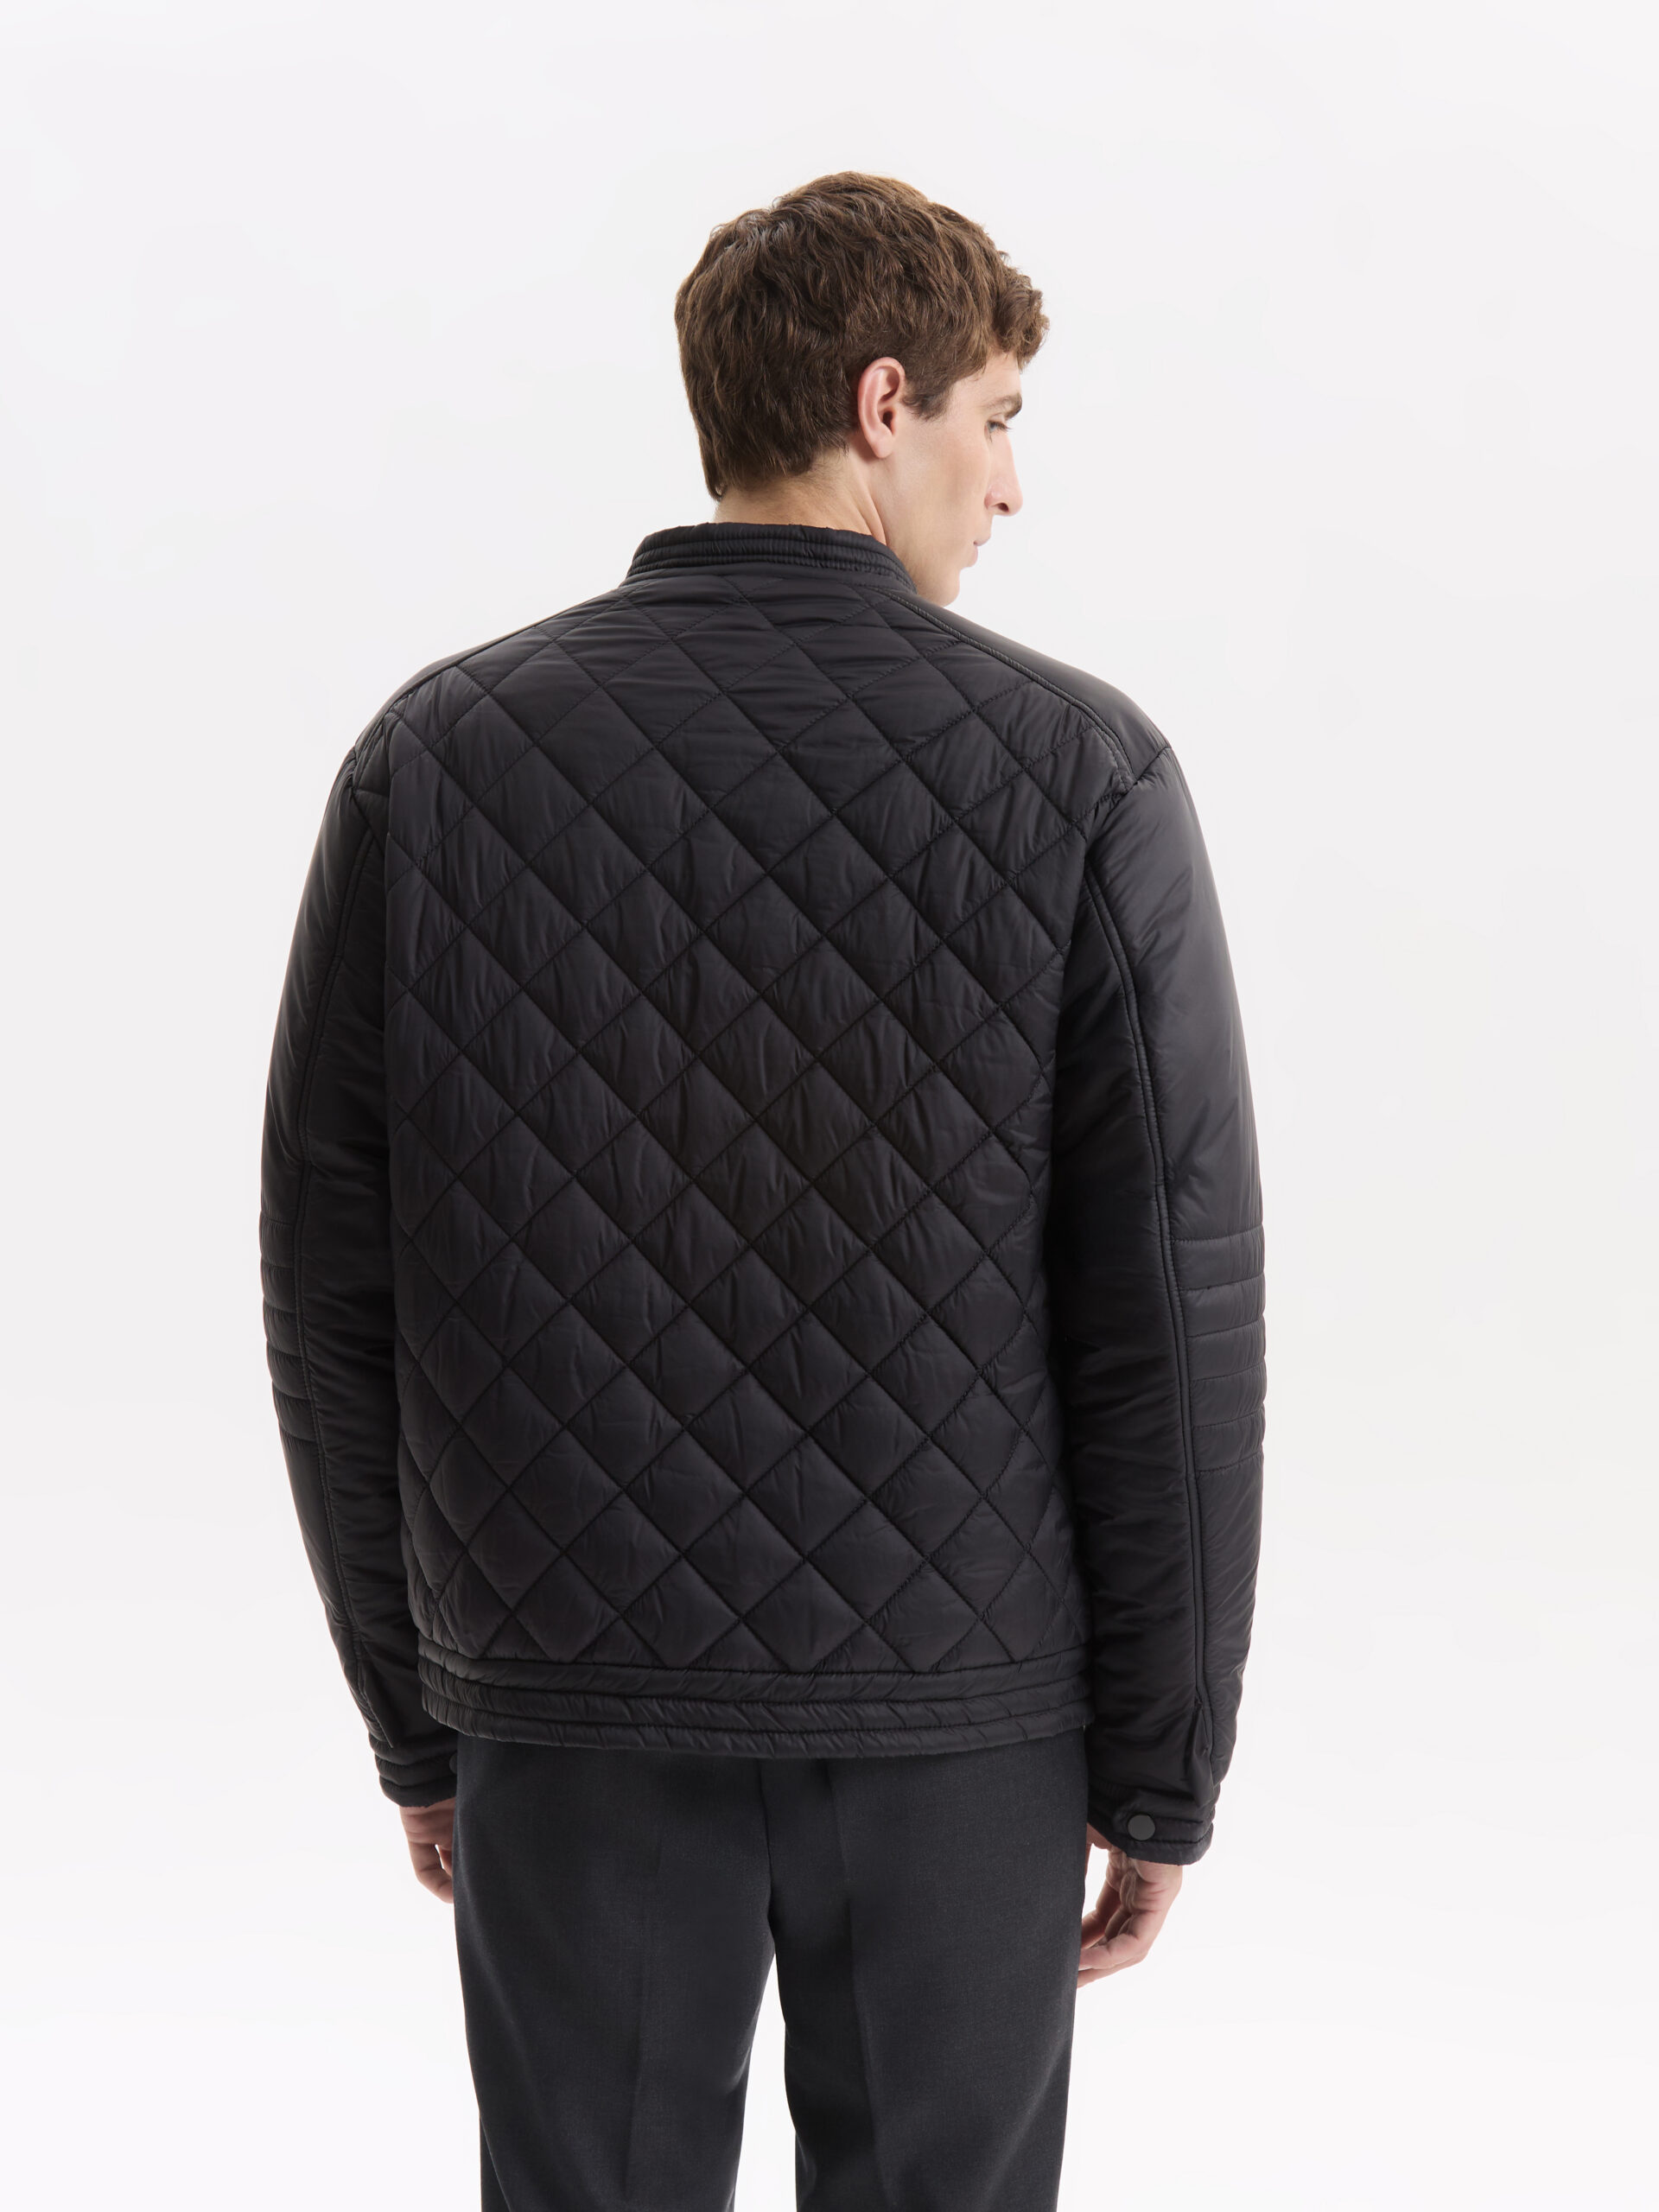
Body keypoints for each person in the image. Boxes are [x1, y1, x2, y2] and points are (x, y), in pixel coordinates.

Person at [261, 170, 1266, 2212]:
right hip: (963, 1715)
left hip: (567, 1697)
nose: (1011, 487)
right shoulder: (1081, 772)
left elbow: (333, 1286)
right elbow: (1168, 1312)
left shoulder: (436, 759)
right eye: (996, 421)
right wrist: (1163, 1760)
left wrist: (419, 1712)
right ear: (885, 405)